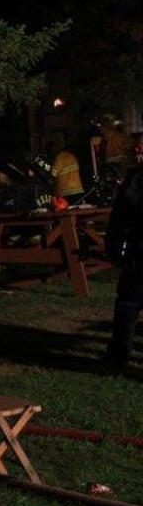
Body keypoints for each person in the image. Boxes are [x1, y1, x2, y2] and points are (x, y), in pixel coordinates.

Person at [104, 141, 143, 371]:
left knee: (128, 305)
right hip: (138, 252)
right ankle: (117, 357)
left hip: (137, 254)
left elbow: (119, 220)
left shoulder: (134, 182)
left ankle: (118, 357)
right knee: (128, 305)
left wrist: (115, 247)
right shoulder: (134, 181)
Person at [99, 116, 133, 182]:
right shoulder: (121, 135)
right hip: (120, 160)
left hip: (111, 160)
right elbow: (129, 145)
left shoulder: (108, 135)